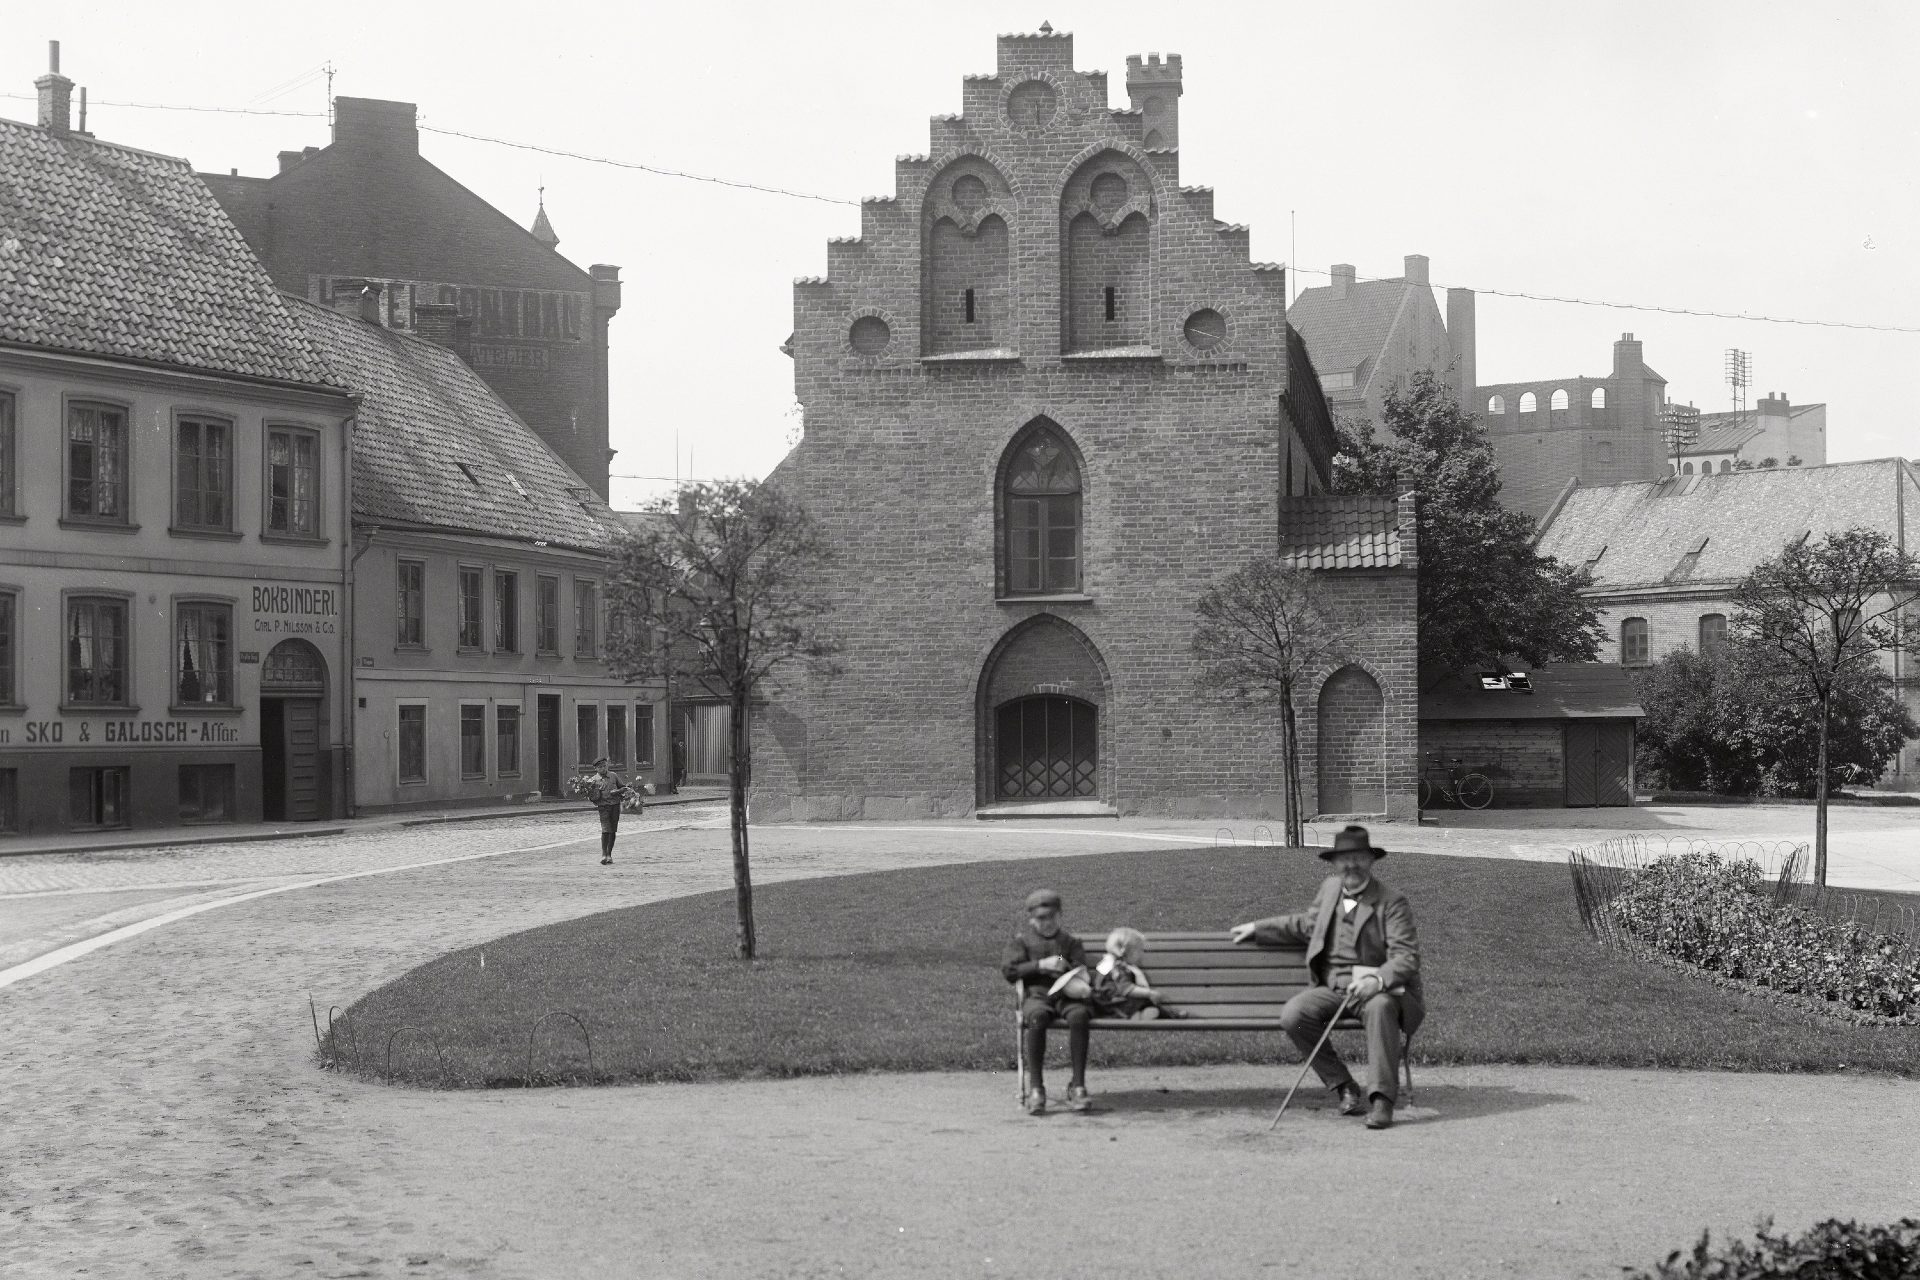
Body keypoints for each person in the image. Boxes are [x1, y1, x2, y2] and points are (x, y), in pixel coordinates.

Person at [1228, 824, 1424, 1130]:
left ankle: (1382, 1099)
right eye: (1344, 859)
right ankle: (1344, 1085)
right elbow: (1307, 925)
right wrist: (1258, 928)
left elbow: (1406, 956)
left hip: (1373, 991)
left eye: (1358, 857)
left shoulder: (1391, 902)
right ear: (1334, 863)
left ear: (1371, 861)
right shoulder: (1330, 889)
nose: (1351, 865)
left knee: (1381, 1007)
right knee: (1294, 1015)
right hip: (1332, 988)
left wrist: (1377, 981)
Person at [999, 889, 1094, 1115]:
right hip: (1038, 996)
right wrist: (1041, 965)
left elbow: (1079, 966)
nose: (1047, 923)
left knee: (1079, 1016)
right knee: (1037, 1017)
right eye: (1041, 919)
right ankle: (1036, 1088)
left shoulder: (1069, 942)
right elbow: (1010, 971)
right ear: (1032, 919)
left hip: (1066, 996)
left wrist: (1060, 961)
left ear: (1059, 915)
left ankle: (1078, 1085)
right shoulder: (1022, 942)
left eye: (1051, 917)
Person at [581, 757, 635, 866]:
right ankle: (603, 854)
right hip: (603, 807)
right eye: (600, 767)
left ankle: (609, 854)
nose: (603, 769)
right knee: (605, 829)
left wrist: (621, 790)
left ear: (607, 766)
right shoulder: (593, 780)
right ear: (596, 769)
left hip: (615, 806)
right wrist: (593, 797)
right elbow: (591, 796)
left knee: (613, 830)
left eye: (604, 766)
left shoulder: (613, 776)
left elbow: (622, 787)